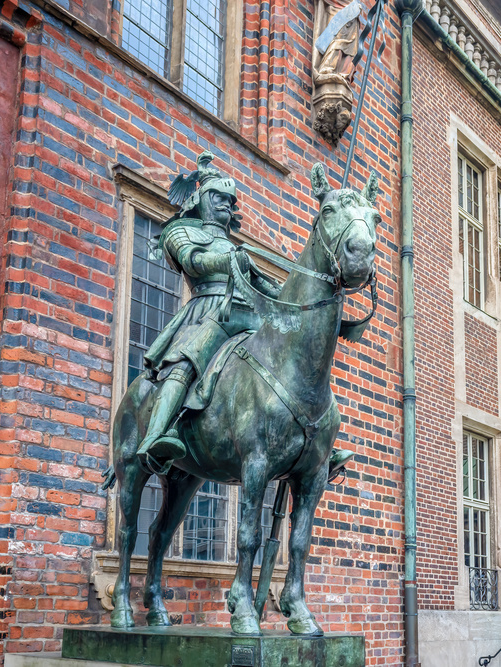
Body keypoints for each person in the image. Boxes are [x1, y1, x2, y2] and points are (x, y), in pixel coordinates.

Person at [138, 151, 354, 480]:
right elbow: (192, 261)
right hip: (211, 312)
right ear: (199, 198)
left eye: (230, 199)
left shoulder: (235, 247)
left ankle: (318, 440)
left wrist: (309, 291)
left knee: (293, 358)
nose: (227, 203)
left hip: (249, 318)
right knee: (188, 358)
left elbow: (267, 287)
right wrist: (226, 262)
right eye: (219, 197)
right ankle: (157, 434)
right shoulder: (182, 231)